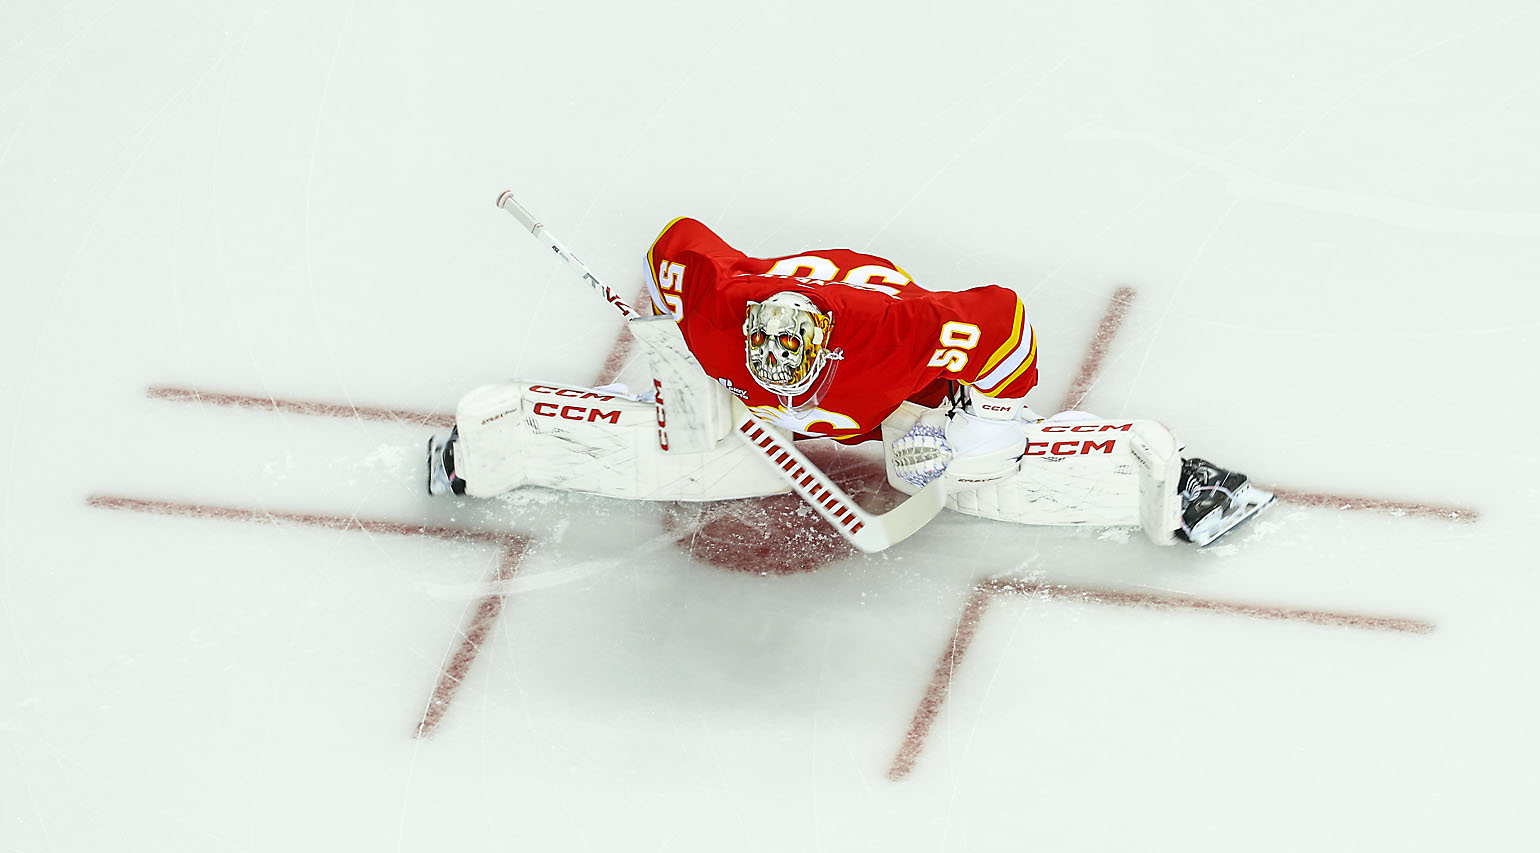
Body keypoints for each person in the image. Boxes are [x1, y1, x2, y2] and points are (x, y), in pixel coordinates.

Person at [429, 218, 1271, 547]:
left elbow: (1011, 335)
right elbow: (674, 243)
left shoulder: (901, 335)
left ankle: (1164, 484)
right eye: (770, 374)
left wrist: (961, 396)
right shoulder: (720, 312)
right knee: (688, 434)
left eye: (797, 379)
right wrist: (683, 355)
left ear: (828, 350)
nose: (786, 390)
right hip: (742, 365)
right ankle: (497, 446)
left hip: (899, 399)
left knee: (943, 463)